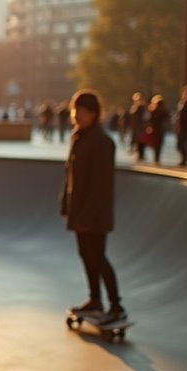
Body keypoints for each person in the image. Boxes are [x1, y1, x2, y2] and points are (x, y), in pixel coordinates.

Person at [61, 89, 126, 326]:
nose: (77, 115)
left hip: (95, 214)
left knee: (98, 257)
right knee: (85, 256)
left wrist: (87, 215)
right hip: (80, 212)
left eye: (82, 111)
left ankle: (116, 305)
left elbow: (101, 186)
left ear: (94, 113)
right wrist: (65, 203)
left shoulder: (102, 142)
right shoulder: (78, 137)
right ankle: (95, 299)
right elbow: (70, 174)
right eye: (75, 110)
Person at [144, 94, 169, 165]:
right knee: (156, 144)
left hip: (159, 130)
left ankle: (157, 158)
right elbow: (149, 120)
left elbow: (167, 119)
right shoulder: (153, 111)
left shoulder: (162, 111)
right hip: (156, 129)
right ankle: (156, 158)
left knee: (158, 144)